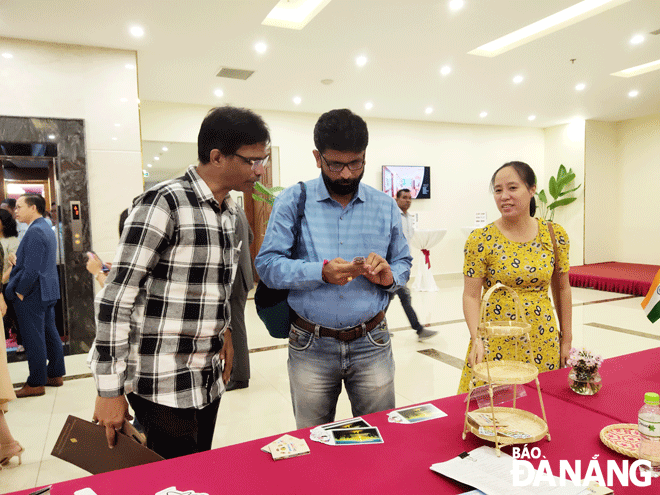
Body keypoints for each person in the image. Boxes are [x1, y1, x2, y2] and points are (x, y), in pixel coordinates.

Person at [88, 106, 270, 459]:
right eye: (251, 161)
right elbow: (116, 298)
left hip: (207, 377)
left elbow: (212, 288)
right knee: (169, 477)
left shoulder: (229, 210)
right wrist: (108, 391)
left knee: (196, 470)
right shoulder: (163, 203)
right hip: (162, 380)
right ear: (216, 157)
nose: (259, 170)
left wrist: (227, 330)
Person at [255, 108, 412, 429]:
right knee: (313, 439)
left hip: (372, 342)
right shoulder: (293, 201)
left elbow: (403, 262)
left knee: (379, 436)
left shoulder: (384, 206)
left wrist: (390, 276)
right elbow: (268, 266)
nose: (346, 175)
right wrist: (319, 272)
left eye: (356, 163)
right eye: (336, 164)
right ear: (317, 157)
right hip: (311, 344)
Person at [457, 161, 572, 393]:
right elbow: (471, 295)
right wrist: (476, 338)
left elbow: (562, 289)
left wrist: (566, 339)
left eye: (512, 188)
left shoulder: (554, 234)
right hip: (495, 337)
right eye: (498, 190)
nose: (504, 196)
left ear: (532, 190)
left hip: (542, 335)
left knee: (540, 403)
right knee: (493, 407)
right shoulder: (481, 239)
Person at [5, 194, 65, 398]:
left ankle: (36, 382)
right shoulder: (45, 228)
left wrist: (20, 291)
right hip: (45, 290)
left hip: (32, 293)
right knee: (49, 332)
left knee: (34, 338)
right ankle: (55, 374)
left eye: (20, 207)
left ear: (33, 208)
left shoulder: (36, 231)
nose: (16, 211)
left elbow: (32, 269)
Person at [393, 188, 437, 341]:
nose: (408, 201)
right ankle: (418, 329)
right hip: (393, 266)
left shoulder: (408, 217)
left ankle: (377, 327)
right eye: (404, 197)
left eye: (410, 198)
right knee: (404, 297)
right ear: (396, 198)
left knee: (388, 299)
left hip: (401, 265)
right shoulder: (393, 216)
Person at [225, 201, 254, 391]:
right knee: (235, 324)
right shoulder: (237, 209)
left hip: (235, 278)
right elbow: (249, 237)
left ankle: (240, 376)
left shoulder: (227, 212)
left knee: (236, 326)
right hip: (243, 273)